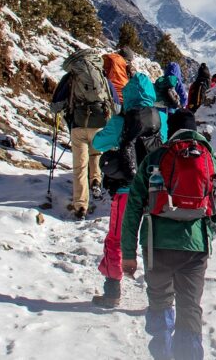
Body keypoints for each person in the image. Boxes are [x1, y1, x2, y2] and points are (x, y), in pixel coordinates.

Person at [122, 111, 216, 360]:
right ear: (195, 130)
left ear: (169, 131)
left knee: (161, 303)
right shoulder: (210, 162)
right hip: (195, 249)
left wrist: (128, 254)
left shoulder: (155, 159)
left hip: (157, 246)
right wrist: (205, 225)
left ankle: (162, 353)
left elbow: (132, 210)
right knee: (190, 308)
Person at [90, 73, 168, 308]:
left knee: (116, 238)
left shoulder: (120, 120)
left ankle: (112, 290)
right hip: (155, 190)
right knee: (155, 241)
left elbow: (97, 143)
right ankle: (160, 297)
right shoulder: (161, 119)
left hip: (126, 190)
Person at [50, 49, 118, 219]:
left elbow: (56, 104)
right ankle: (96, 180)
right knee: (96, 154)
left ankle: (80, 205)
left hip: (79, 125)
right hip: (100, 123)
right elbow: (115, 103)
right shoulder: (101, 75)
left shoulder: (71, 76)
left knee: (80, 165)